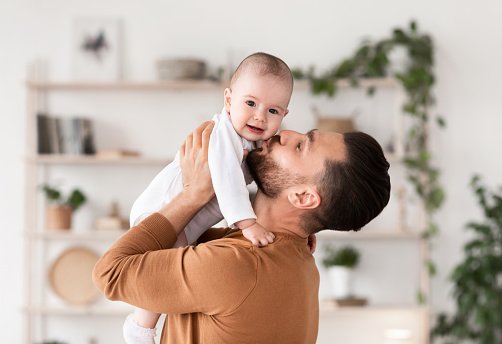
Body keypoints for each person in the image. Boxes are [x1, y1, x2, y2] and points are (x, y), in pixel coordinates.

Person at [93, 120, 391, 344]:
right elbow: (184, 247)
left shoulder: (239, 265)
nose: (285, 133)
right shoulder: (297, 261)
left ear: (303, 198)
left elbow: (110, 274)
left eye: (301, 146)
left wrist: (194, 193)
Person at [124, 52, 294, 343]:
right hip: (163, 210)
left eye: (273, 111)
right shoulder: (223, 135)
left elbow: (264, 180)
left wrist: (292, 224)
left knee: (176, 269)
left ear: (283, 115)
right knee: (169, 268)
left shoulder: (254, 143)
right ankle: (140, 326)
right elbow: (228, 180)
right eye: (250, 103)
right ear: (228, 100)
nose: (259, 116)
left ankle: (148, 324)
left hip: (188, 221)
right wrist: (248, 224)